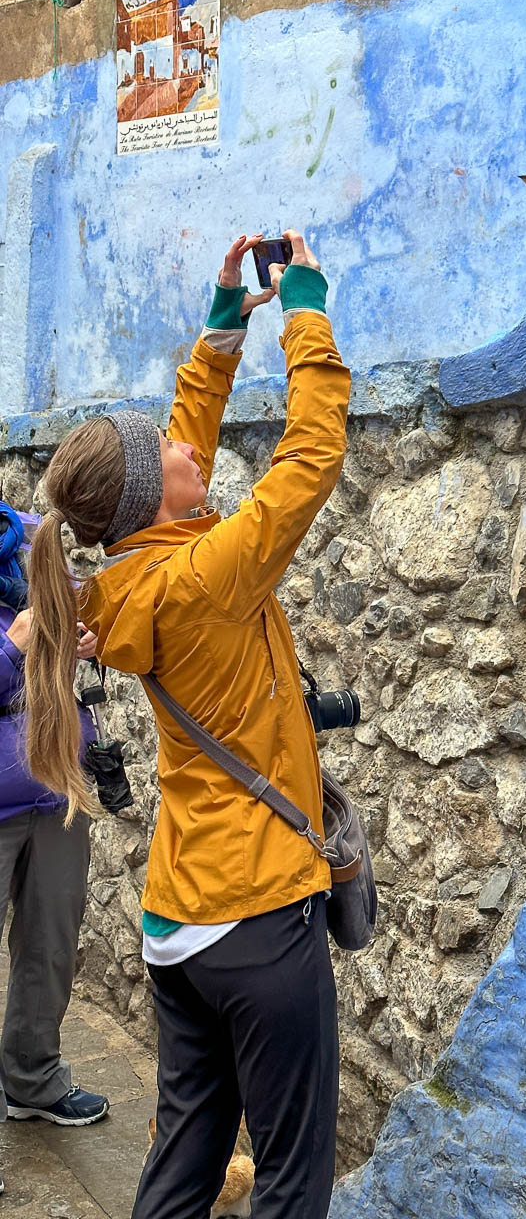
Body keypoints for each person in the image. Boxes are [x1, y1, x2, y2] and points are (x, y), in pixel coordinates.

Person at [23, 230, 351, 1219]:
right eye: (166, 450)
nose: (186, 444)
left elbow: (176, 448)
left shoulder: (132, 572)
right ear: (145, 496)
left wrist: (218, 333)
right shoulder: (206, 577)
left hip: (180, 924)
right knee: (292, 1178)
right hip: (257, 916)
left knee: (185, 1160)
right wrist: (305, 313)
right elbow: (310, 455)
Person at [0, 505, 110, 1192]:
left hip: (56, 788)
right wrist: (13, 648)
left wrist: (87, 638)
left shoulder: (34, 536)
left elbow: (77, 622)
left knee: (51, 947)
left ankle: (33, 1080)